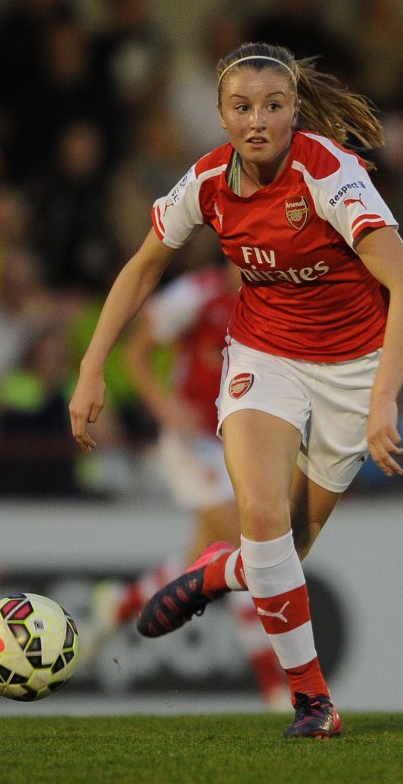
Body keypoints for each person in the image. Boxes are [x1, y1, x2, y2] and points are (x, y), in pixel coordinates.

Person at [69, 41, 403, 738]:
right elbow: (142, 269)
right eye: (241, 107)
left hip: (355, 372)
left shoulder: (330, 172)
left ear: (296, 110)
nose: (257, 121)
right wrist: (91, 369)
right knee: (260, 514)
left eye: (272, 106)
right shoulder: (206, 181)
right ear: (221, 114)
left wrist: (383, 395)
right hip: (265, 357)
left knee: (283, 554)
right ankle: (312, 701)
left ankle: (210, 575)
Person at [85, 257, 288, 709]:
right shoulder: (197, 294)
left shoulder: (276, 296)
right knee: (246, 544)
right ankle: (272, 684)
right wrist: (165, 408)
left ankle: (122, 601)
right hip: (193, 442)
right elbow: (135, 351)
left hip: (237, 440)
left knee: (208, 558)